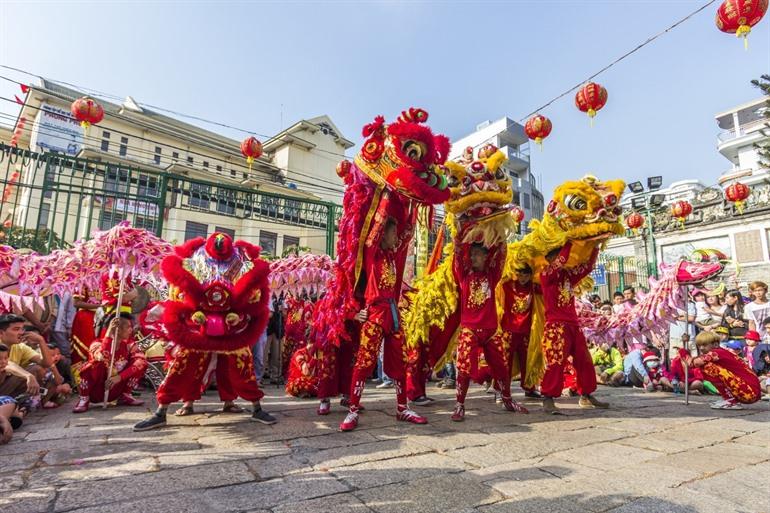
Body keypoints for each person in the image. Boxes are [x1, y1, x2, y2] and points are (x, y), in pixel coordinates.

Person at [340, 217, 427, 431]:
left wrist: (412, 212)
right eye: (393, 232)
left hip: (393, 314)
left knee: (400, 360)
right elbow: (374, 227)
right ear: (382, 234)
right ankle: (353, 410)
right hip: (375, 313)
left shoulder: (392, 256)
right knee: (364, 362)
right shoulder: (373, 254)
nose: (396, 237)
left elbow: (406, 235)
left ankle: (402, 408)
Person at [448, 237, 527, 423]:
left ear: (485, 257)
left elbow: (502, 252)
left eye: (478, 254)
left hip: (491, 330)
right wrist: (460, 232)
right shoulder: (464, 275)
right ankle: (459, 404)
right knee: (464, 368)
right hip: (470, 329)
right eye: (472, 254)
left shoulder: (492, 275)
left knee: (502, 367)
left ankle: (507, 399)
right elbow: (458, 252)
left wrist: (499, 232)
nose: (473, 258)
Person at [539, 239, 609, 414]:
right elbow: (562, 259)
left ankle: (586, 394)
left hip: (573, 325)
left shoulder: (568, 277)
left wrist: (595, 248)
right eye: (555, 256)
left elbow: (587, 268)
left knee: (584, 361)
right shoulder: (546, 274)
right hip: (556, 326)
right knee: (555, 363)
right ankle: (548, 397)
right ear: (549, 259)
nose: (561, 259)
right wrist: (570, 241)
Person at [73, 314, 148, 413]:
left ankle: (125, 395)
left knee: (139, 363)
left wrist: (119, 377)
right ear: (117, 329)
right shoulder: (96, 344)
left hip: (116, 388)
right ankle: (84, 399)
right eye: (128, 327)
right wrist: (108, 335)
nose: (131, 330)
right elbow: (103, 356)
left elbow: (141, 361)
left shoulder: (129, 345)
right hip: (98, 391)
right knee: (94, 364)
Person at [683, 331, 761, 410]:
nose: (701, 348)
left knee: (708, 367)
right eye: (699, 345)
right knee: (708, 367)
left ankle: (731, 401)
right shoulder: (721, 352)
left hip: (749, 392)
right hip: (749, 390)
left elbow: (693, 363)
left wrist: (682, 351)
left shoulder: (717, 353)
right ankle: (729, 399)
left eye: (704, 345)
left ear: (715, 344)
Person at [498, 265, 541, 398]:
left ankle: (529, 388)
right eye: (520, 275)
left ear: (531, 275)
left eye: (526, 275)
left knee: (527, 361)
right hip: (508, 331)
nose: (523, 278)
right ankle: (502, 391)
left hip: (526, 332)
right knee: (505, 363)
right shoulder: (507, 285)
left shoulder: (534, 288)